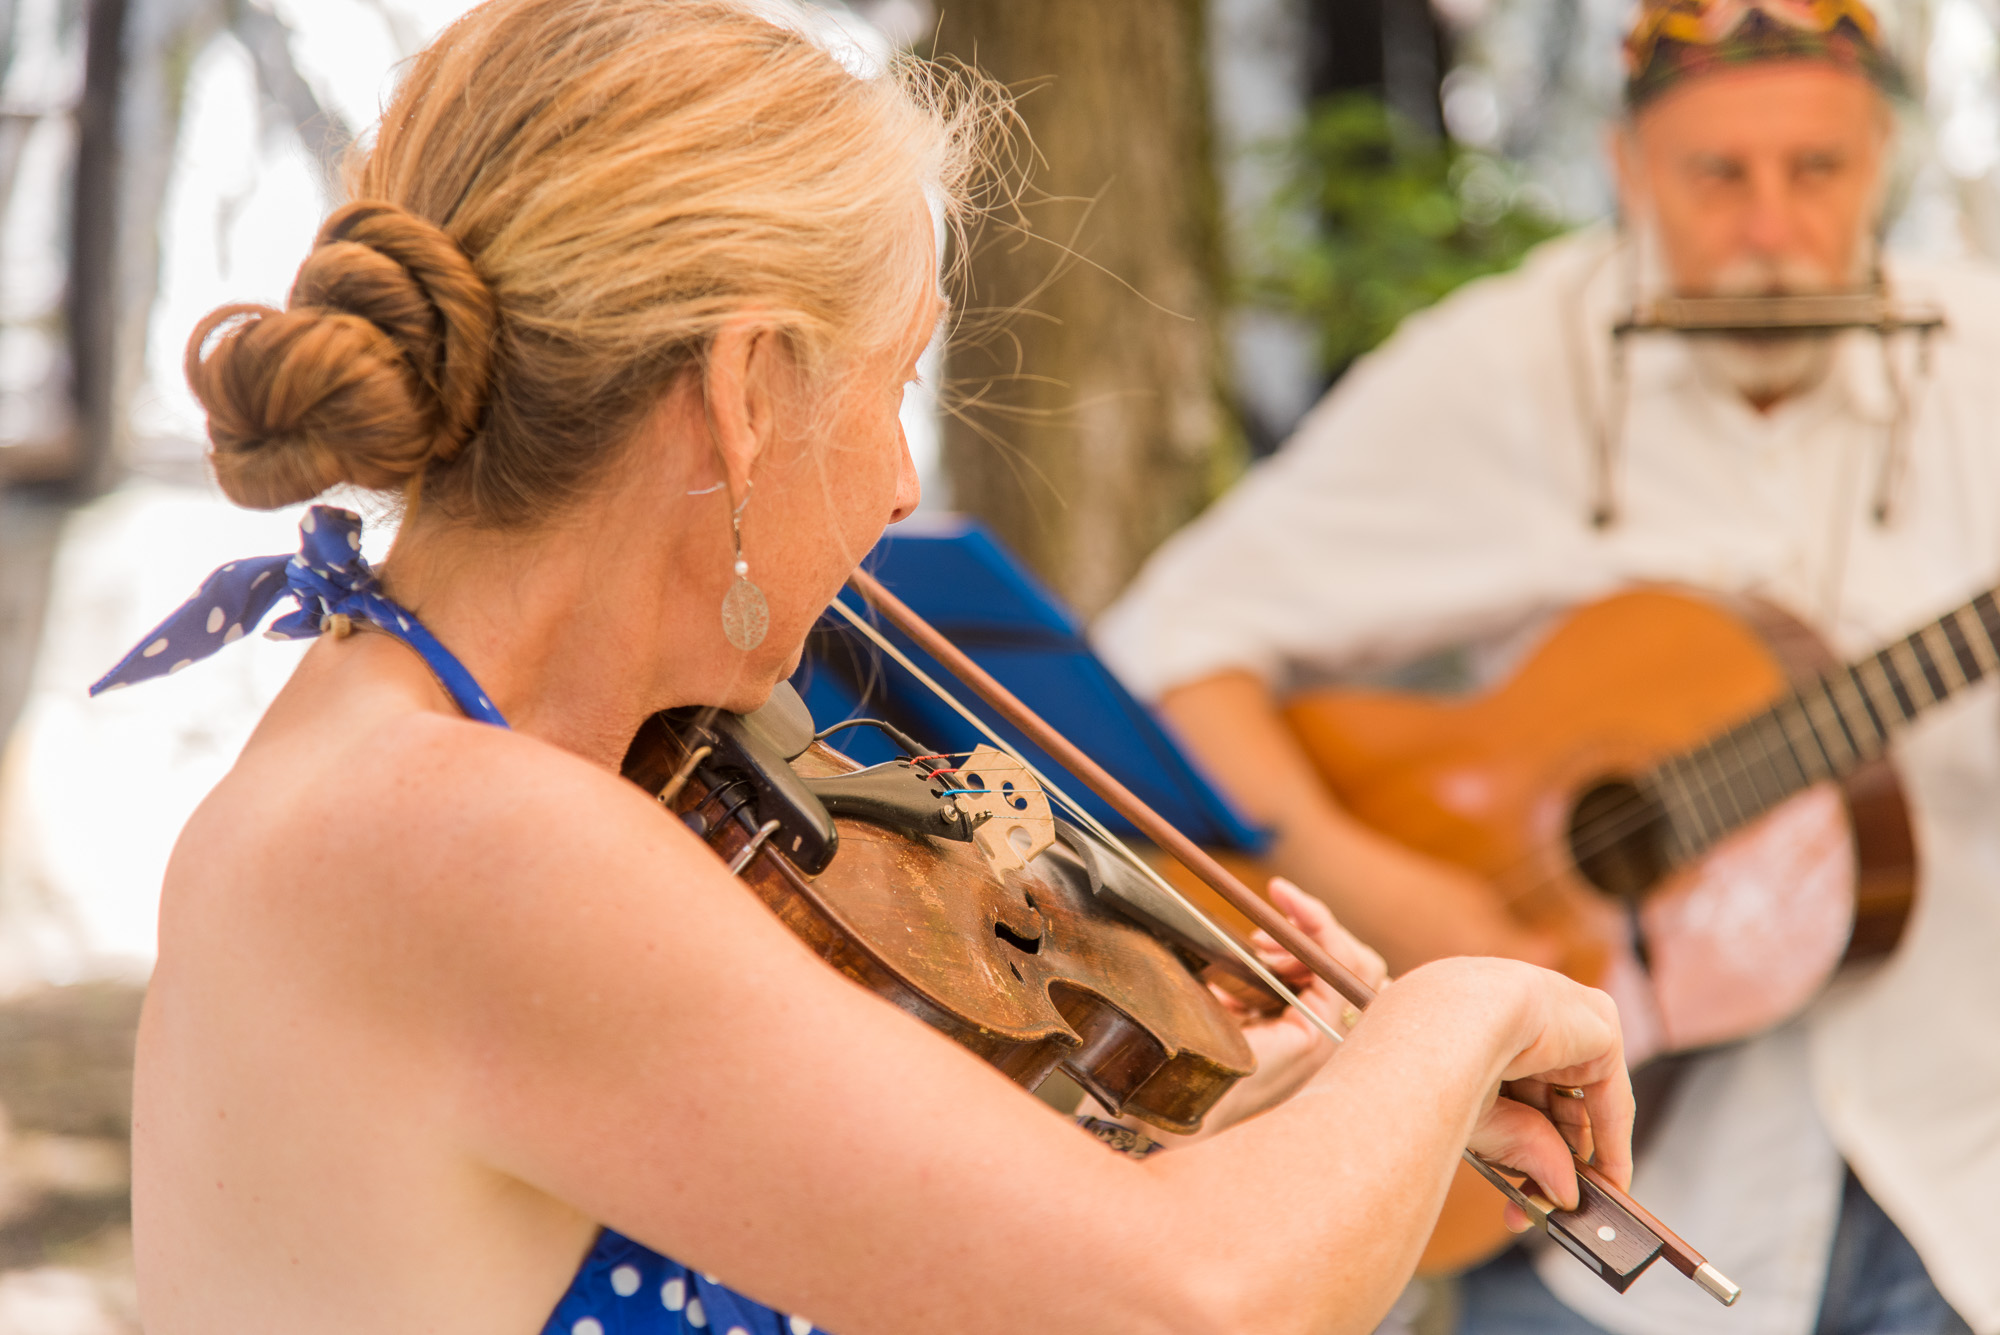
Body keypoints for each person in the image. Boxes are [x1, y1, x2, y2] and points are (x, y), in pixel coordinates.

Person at [106, 3, 1635, 1333]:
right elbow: (1188, 1302)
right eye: (894, 382)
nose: (903, 486)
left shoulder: (411, 763)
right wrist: (1459, 1012)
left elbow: (983, 1247)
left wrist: (1279, 1113)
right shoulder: (474, 841)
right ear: (746, 390)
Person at [1097, 1, 1999, 1332]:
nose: (1769, 231)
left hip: (1955, 1179)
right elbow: (1169, 648)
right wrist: (1409, 907)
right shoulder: (1510, 365)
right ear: (1627, 168)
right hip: (1591, 1215)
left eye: (1817, 171)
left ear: (1886, 167)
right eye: (1715, 175)